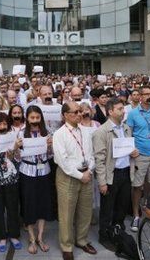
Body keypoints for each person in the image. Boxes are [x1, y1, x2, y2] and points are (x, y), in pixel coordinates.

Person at [92, 97, 138, 251]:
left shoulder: (126, 128)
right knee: (107, 209)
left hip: (125, 173)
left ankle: (117, 230)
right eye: (119, 109)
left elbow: (128, 148)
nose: (123, 111)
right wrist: (102, 182)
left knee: (122, 206)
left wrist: (133, 153)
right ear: (110, 111)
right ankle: (104, 236)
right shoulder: (101, 132)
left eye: (123, 108)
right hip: (111, 175)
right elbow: (99, 159)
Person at [53, 102, 97, 260]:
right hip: (68, 177)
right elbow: (62, 161)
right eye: (75, 112)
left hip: (87, 174)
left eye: (81, 111)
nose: (80, 114)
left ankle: (82, 240)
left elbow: (91, 155)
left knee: (85, 211)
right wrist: (80, 175)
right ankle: (66, 246)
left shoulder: (86, 131)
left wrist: (89, 170)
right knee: (66, 213)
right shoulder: (59, 134)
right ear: (65, 115)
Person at [126, 85, 150, 232]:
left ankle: (149, 211)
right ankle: (136, 215)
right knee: (137, 186)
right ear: (140, 96)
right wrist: (131, 149)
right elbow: (128, 134)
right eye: (146, 94)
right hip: (140, 155)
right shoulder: (133, 113)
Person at [18, 105, 53, 254]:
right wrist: (16, 147)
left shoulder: (47, 132)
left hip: (44, 171)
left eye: (37, 117)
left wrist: (50, 147)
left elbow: (50, 156)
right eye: (32, 117)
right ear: (27, 118)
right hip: (27, 172)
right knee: (29, 205)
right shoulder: (21, 133)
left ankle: (40, 237)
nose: (35, 120)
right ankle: (31, 238)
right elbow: (16, 158)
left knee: (43, 205)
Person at [0, 113, 22, 252]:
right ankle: (1, 235)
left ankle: (14, 234)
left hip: (11, 176)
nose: (2, 127)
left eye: (4, 124)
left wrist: (14, 149)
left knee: (13, 206)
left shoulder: (14, 138)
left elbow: (19, 159)